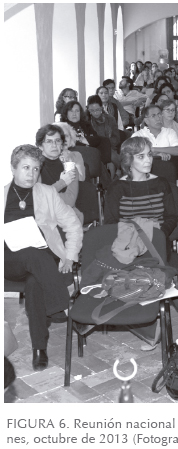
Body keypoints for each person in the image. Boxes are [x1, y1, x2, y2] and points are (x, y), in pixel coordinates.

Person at [104, 137, 178, 335]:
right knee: (149, 264)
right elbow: (111, 223)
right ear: (128, 159)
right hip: (129, 243)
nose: (148, 160)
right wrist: (136, 238)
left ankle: (148, 326)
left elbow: (171, 217)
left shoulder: (161, 184)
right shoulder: (116, 188)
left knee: (153, 258)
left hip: (158, 240)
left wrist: (156, 235)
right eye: (141, 156)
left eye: (149, 155)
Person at [4, 145, 83, 371]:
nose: (31, 173)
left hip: (42, 264)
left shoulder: (47, 193)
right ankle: (67, 308)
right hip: (9, 261)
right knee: (32, 253)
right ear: (13, 168)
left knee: (34, 283)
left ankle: (39, 349)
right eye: (26, 167)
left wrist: (70, 255)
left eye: (36, 168)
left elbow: (73, 225)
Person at [36, 124, 84, 223]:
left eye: (57, 141)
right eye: (49, 141)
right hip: (44, 219)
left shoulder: (70, 167)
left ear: (62, 144)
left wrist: (48, 195)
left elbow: (70, 201)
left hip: (67, 219)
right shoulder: (35, 168)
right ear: (40, 146)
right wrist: (62, 183)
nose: (54, 145)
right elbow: (38, 199)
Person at [60, 100, 114, 169]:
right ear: (66, 114)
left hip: (91, 154)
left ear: (80, 113)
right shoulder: (63, 127)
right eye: (71, 111)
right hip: (76, 153)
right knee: (95, 155)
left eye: (77, 111)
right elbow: (68, 143)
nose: (74, 114)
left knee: (105, 141)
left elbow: (96, 139)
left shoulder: (86, 125)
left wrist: (82, 139)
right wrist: (87, 140)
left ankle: (105, 166)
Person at [86, 95, 121, 173]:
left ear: (102, 107)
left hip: (110, 147)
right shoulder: (86, 121)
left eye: (97, 109)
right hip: (93, 149)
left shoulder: (110, 119)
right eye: (92, 110)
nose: (95, 113)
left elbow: (116, 138)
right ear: (88, 109)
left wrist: (105, 144)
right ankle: (120, 169)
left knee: (110, 160)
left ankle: (116, 173)